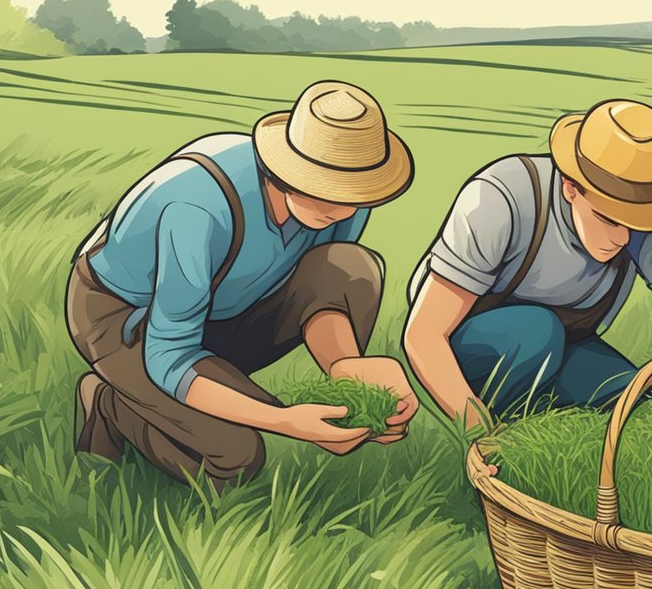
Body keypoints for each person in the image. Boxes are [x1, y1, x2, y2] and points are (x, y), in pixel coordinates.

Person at [67, 80, 418, 490]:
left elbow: (321, 288)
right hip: (127, 319)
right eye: (326, 188)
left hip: (230, 303)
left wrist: (349, 372)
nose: (343, 208)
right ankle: (109, 405)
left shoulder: (344, 206)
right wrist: (284, 420)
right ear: (284, 170)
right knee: (236, 457)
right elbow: (170, 355)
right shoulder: (196, 207)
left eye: (357, 192)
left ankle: (172, 397)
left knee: (352, 266)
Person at [403, 98, 652, 428]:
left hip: (566, 347)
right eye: (608, 218)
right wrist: (480, 431)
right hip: (470, 350)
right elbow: (424, 335)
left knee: (640, 409)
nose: (624, 238)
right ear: (570, 187)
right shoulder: (499, 198)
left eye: (638, 224)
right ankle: (515, 426)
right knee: (536, 330)